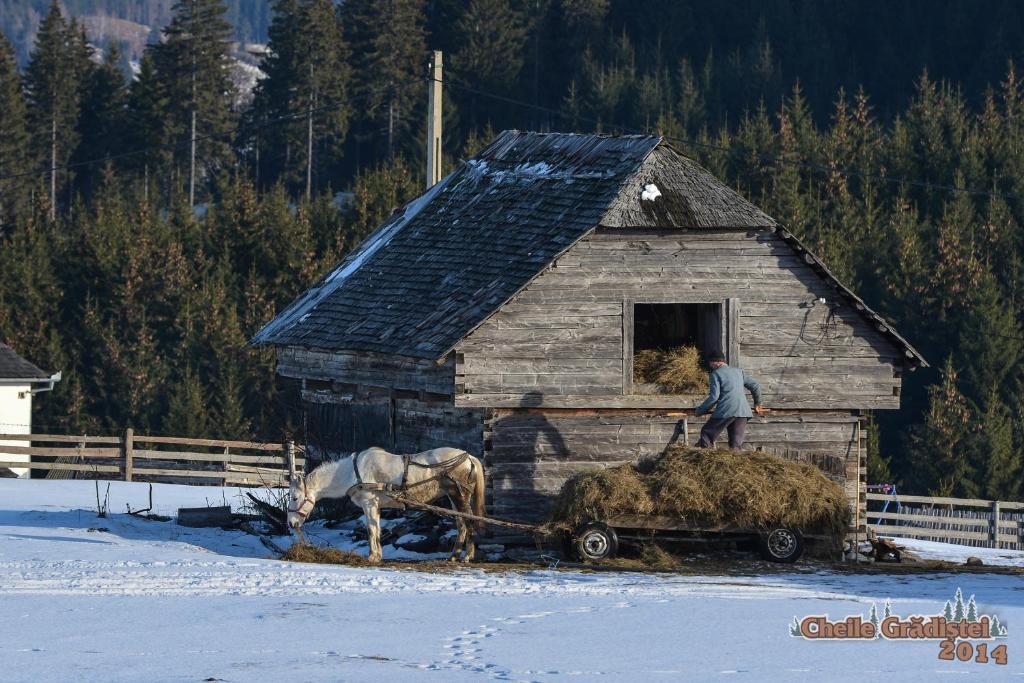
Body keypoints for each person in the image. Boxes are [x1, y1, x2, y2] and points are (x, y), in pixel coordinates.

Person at [693, 350, 765, 450]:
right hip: (742, 412)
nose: (710, 365)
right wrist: (757, 403)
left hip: (726, 410)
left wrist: (700, 410)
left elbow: (714, 397)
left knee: (707, 433)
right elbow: (755, 385)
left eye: (710, 362)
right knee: (735, 446)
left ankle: (706, 459)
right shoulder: (739, 371)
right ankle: (736, 463)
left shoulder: (716, 374)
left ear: (716, 362)